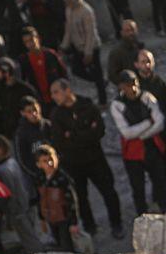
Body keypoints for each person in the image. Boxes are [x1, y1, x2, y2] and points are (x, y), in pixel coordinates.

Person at [46, 81, 124, 240]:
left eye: (56, 92)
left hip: (95, 159)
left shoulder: (87, 105)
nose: (53, 97)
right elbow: (60, 142)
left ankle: (117, 224)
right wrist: (84, 134)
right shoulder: (57, 115)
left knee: (109, 191)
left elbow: (99, 131)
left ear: (67, 90)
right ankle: (90, 226)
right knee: (80, 197)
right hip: (73, 164)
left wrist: (74, 135)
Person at [110, 71, 166, 216]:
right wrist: (148, 123)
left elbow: (160, 122)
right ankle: (142, 216)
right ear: (121, 87)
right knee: (138, 188)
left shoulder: (147, 97)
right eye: (128, 85)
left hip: (151, 147)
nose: (133, 88)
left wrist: (141, 135)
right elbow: (127, 133)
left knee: (160, 182)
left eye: (134, 84)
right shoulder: (117, 105)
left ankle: (165, 210)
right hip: (133, 153)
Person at [0, 133, 46, 253]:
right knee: (30, 236)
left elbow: (9, 196)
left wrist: (10, 217)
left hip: (18, 212)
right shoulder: (11, 162)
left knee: (30, 242)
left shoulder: (3, 171)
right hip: (25, 207)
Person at [30, 143, 82, 249]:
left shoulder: (62, 178)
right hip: (50, 217)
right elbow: (40, 199)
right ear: (39, 164)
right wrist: (42, 219)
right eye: (45, 161)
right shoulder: (40, 179)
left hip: (64, 217)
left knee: (66, 244)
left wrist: (73, 222)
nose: (50, 163)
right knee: (57, 241)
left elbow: (71, 200)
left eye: (51, 159)